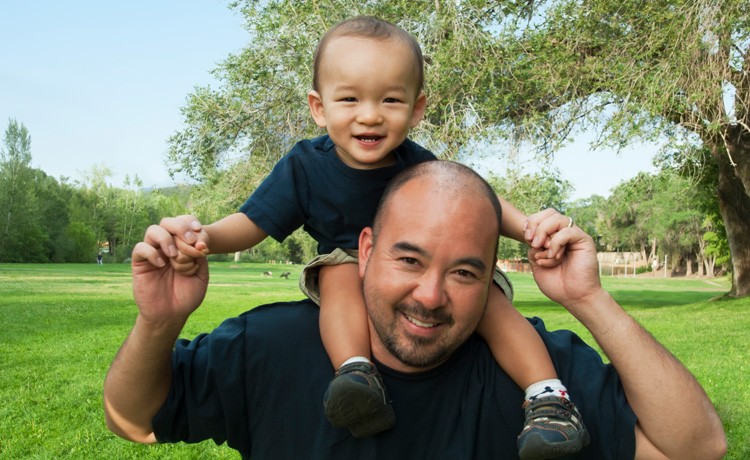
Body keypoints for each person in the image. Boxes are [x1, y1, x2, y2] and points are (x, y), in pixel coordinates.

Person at [163, 16, 586, 457]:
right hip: (348, 260)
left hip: (422, 266)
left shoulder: (418, 165)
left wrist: (530, 227)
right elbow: (253, 221)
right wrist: (205, 237)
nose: (370, 115)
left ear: (417, 109)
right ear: (319, 106)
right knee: (336, 273)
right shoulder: (304, 166)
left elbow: (480, 203)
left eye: (390, 100)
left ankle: (548, 400)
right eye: (349, 99)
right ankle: (356, 377)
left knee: (489, 302)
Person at [103, 160, 726, 459]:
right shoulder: (268, 349)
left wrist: (590, 300)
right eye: (409, 260)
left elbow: (697, 448)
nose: (431, 296)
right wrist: (160, 321)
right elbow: (132, 419)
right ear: (364, 250)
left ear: (493, 278)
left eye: (464, 272)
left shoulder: (538, 376)